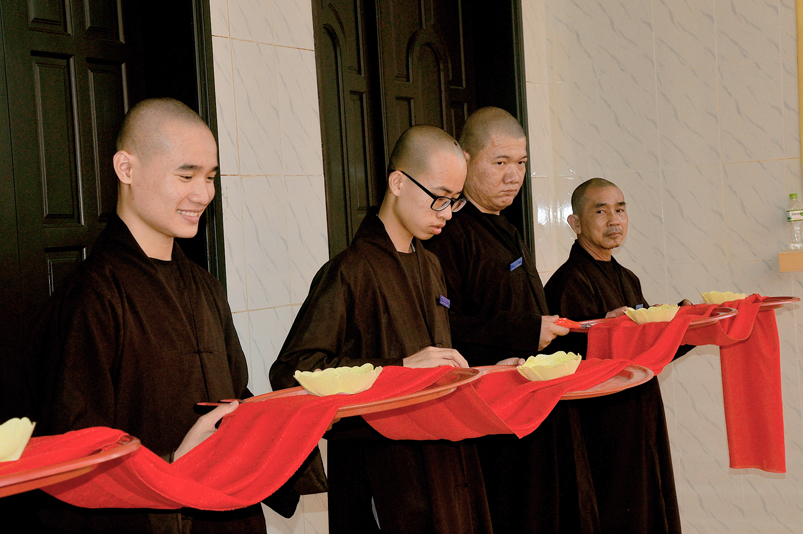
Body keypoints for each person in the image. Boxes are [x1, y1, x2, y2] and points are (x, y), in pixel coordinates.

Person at [30, 98, 269, 533]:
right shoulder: (91, 296)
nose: (204, 194)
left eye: (210, 177)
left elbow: (233, 394)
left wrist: (283, 420)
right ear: (126, 168)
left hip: (227, 513)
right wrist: (172, 464)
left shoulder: (204, 286)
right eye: (186, 175)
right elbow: (71, 457)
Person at [269, 125, 493, 534]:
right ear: (398, 183)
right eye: (439, 198)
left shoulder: (431, 264)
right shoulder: (350, 269)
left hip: (445, 460)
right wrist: (398, 368)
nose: (446, 213)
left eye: (455, 201)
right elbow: (293, 371)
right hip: (382, 473)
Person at [425, 107, 599, 533]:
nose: (513, 176)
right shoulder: (448, 234)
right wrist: (525, 331)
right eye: (500, 162)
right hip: (491, 415)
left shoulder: (505, 228)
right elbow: (442, 329)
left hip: (533, 404)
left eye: (521, 163)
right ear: (465, 160)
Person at [544, 178, 683, 534]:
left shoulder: (626, 277)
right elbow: (570, 359)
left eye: (620, 209)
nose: (614, 220)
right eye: (601, 211)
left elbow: (647, 348)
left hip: (639, 412)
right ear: (575, 223)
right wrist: (608, 328)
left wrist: (686, 322)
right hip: (602, 426)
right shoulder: (569, 282)